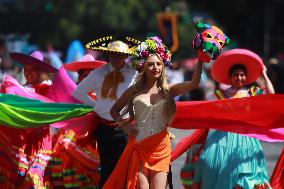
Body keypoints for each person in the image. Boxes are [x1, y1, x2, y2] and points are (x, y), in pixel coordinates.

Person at [103, 36, 203, 188]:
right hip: (139, 146)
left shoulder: (169, 90)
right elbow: (114, 110)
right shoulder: (134, 90)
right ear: (143, 67)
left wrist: (201, 59)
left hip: (160, 148)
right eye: (150, 64)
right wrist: (125, 126)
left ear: (163, 66)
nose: (155, 67)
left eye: (159, 64)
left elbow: (194, 83)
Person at [182, 49, 274, 189]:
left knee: (246, 175)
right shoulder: (220, 94)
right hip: (221, 140)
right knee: (210, 166)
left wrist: (263, 74)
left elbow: (271, 95)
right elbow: (206, 113)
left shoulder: (252, 92)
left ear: (246, 77)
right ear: (230, 77)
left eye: (242, 75)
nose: (239, 78)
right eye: (236, 75)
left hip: (247, 140)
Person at [72, 36, 140, 188]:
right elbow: (78, 92)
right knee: (107, 170)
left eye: (121, 55)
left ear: (127, 55)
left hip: (125, 128)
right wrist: (96, 106)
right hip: (104, 129)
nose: (117, 58)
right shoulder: (99, 73)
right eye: (114, 54)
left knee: (125, 169)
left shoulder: (134, 74)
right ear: (108, 54)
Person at [0, 50, 57, 188]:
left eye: (33, 70)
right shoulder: (20, 90)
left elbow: (51, 114)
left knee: (33, 181)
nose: (28, 73)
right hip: (22, 144)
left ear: (41, 71)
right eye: (26, 69)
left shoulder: (49, 90)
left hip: (41, 143)